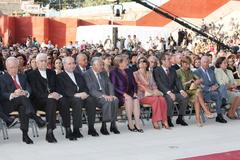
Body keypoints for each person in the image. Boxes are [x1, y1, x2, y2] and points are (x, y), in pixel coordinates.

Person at [27, 53, 72, 142]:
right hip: (39, 101)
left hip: (53, 99)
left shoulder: (51, 72)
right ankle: (49, 131)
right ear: (36, 62)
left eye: (45, 61)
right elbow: (34, 92)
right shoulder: (31, 74)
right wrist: (48, 95)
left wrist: (58, 94)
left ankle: (68, 128)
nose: (43, 63)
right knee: (51, 101)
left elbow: (58, 86)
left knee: (64, 100)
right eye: (41, 61)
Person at [57, 57, 99, 138]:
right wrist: (75, 94)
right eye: (69, 64)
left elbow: (85, 87)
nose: (72, 65)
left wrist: (85, 93)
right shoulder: (60, 76)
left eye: (73, 63)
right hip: (69, 99)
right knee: (77, 101)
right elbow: (62, 90)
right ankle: (76, 129)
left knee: (91, 100)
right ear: (64, 65)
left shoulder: (79, 75)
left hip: (81, 97)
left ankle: (91, 128)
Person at [0, 57, 36, 144]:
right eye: (11, 67)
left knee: (23, 107)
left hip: (22, 103)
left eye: (15, 67)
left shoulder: (23, 76)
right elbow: (2, 94)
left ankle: (25, 134)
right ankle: (35, 116)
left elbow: (29, 88)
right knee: (23, 100)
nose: (14, 69)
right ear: (7, 68)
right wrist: (13, 94)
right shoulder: (2, 78)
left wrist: (25, 92)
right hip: (8, 104)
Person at [84, 57, 120, 135]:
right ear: (94, 65)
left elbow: (110, 84)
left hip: (106, 95)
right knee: (107, 101)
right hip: (95, 97)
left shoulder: (103, 73)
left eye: (102, 64)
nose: (102, 66)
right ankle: (104, 126)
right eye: (100, 65)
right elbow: (91, 89)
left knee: (115, 100)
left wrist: (111, 95)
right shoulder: (87, 74)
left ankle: (113, 124)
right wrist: (103, 96)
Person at [153, 52, 189, 127]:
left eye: (170, 59)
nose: (170, 61)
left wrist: (182, 91)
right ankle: (168, 118)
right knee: (169, 99)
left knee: (184, 97)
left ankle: (180, 118)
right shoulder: (157, 70)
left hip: (174, 92)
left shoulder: (172, 70)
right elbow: (159, 84)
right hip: (163, 93)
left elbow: (177, 81)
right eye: (168, 59)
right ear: (163, 61)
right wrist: (169, 92)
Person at [176, 56, 213, 127]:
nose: (188, 65)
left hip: (192, 91)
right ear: (182, 63)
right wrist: (188, 82)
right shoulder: (177, 72)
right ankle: (206, 111)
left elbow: (198, 79)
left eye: (189, 64)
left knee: (197, 97)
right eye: (186, 64)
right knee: (198, 92)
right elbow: (177, 85)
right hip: (183, 92)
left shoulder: (190, 72)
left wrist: (199, 81)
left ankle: (198, 120)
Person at [110, 54, 143, 133]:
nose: (127, 62)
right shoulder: (113, 72)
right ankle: (130, 123)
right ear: (119, 63)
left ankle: (137, 123)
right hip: (119, 95)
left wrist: (135, 92)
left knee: (136, 100)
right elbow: (114, 86)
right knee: (128, 100)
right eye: (125, 61)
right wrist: (124, 94)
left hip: (130, 93)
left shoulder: (129, 70)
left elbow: (134, 83)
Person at [133, 57, 169, 129]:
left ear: (147, 64)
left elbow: (154, 84)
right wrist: (151, 92)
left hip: (152, 94)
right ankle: (155, 120)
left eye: (144, 62)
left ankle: (164, 120)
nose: (142, 63)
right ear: (138, 64)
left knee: (162, 99)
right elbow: (138, 86)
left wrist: (155, 91)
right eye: (140, 62)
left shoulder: (149, 73)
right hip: (142, 96)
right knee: (155, 99)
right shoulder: (135, 74)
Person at [194, 56, 227, 123]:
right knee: (218, 94)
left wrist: (215, 86)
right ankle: (220, 110)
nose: (206, 64)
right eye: (204, 62)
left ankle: (219, 114)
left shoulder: (211, 71)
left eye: (207, 62)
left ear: (209, 63)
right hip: (203, 93)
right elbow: (199, 85)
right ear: (201, 63)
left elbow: (216, 82)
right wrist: (209, 89)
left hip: (213, 91)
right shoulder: (196, 72)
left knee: (220, 90)